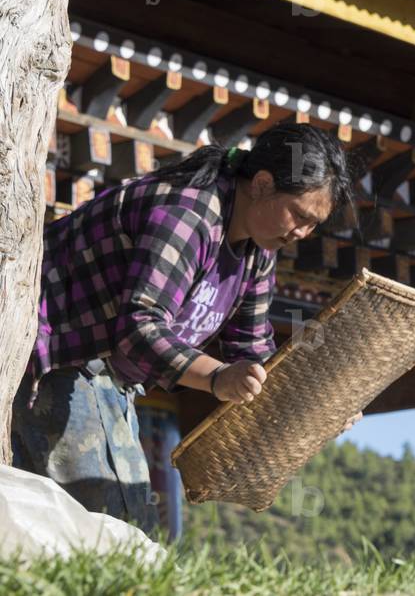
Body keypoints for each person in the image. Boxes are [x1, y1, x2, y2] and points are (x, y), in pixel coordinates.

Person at [11, 122, 362, 534]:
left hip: (109, 381)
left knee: (118, 532)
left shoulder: (258, 253)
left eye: (313, 225)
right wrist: (216, 377)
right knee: (117, 527)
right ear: (263, 184)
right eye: (299, 215)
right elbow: (138, 327)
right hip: (55, 362)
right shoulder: (188, 213)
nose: (301, 233)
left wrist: (318, 408)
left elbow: (252, 351)